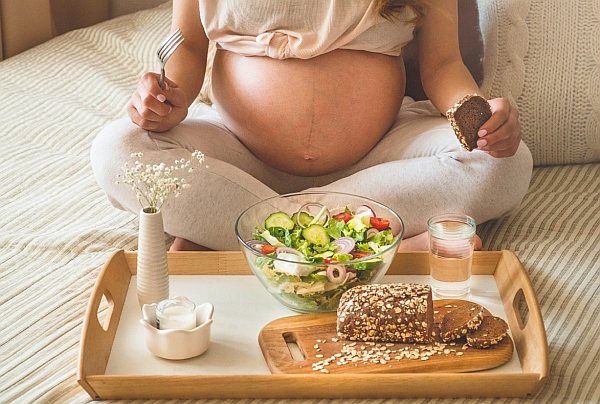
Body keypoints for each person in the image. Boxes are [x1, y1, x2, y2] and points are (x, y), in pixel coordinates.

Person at [91, 0, 532, 251]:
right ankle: (366, 247)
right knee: (118, 149)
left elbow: (442, 64)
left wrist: (477, 115)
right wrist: (170, 99)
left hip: (376, 162)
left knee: (504, 164)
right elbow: (188, 43)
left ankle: (249, 236)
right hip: (241, 159)